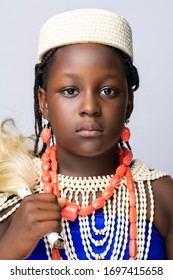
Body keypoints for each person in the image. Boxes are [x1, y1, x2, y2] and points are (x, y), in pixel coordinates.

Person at [0, 8, 173, 260]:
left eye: (108, 91)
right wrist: (11, 248)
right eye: (70, 91)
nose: (90, 107)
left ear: (129, 103)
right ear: (44, 102)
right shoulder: (12, 193)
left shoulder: (161, 196)